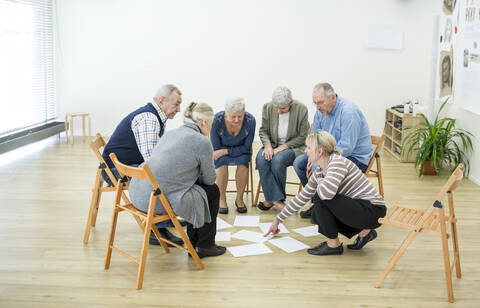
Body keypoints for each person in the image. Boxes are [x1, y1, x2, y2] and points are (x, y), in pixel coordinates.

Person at [129, 102, 226, 258]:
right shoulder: (203, 142)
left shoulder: (171, 133)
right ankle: (205, 245)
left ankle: (195, 241)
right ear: (203, 123)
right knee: (212, 191)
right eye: (211, 124)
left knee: (196, 189)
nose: (211, 128)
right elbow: (209, 180)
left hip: (137, 194)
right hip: (156, 201)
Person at [265, 131, 386, 256]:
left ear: (320, 151)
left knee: (320, 198)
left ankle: (333, 245)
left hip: (373, 210)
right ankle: (366, 232)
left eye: (309, 148)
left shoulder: (336, 164)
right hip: (361, 208)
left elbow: (326, 195)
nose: (305, 151)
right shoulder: (320, 169)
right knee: (316, 214)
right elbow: (302, 196)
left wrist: (320, 181)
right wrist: (278, 220)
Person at [101, 84, 184, 247]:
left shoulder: (157, 116)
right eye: (176, 104)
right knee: (159, 178)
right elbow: (152, 160)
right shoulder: (149, 119)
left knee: (166, 173)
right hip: (115, 170)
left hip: (125, 164)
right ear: (162, 101)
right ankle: (156, 230)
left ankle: (165, 219)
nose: (179, 109)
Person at [293, 82, 372, 219]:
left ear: (333, 97)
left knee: (317, 167)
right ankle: (319, 204)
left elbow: (346, 147)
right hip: (326, 153)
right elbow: (315, 138)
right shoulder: (321, 111)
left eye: (320, 103)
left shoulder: (348, 112)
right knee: (299, 163)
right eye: (315, 103)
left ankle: (325, 208)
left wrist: (319, 160)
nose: (317, 107)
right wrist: (313, 155)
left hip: (354, 158)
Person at [256, 86, 309, 211]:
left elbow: (303, 136)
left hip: (294, 147)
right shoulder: (267, 107)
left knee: (278, 159)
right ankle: (276, 200)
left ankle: (272, 199)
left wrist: (282, 148)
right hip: (272, 144)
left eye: (283, 108)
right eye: (276, 108)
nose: (278, 111)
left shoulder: (301, 109)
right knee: (262, 158)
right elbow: (263, 131)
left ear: (291, 103)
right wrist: (268, 146)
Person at [210, 98, 256, 214]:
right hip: (222, 152)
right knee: (222, 162)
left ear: (244, 113)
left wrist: (225, 151)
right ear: (226, 115)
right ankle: (221, 199)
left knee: (243, 162)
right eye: (233, 117)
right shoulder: (217, 120)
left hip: (241, 152)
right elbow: (216, 149)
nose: (236, 120)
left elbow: (246, 148)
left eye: (240, 116)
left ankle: (239, 199)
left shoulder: (250, 120)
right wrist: (223, 152)